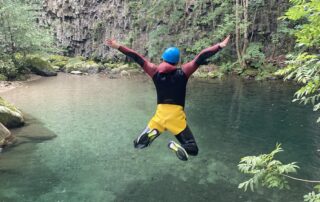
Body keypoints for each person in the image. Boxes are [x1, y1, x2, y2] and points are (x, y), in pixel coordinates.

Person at [105, 35, 230, 161]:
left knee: (138, 144)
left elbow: (136, 57)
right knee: (193, 149)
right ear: (176, 62)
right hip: (176, 118)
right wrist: (219, 46)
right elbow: (201, 56)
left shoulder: (154, 71)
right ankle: (177, 146)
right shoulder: (183, 72)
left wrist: (117, 46)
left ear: (163, 58)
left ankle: (152, 133)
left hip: (159, 117)